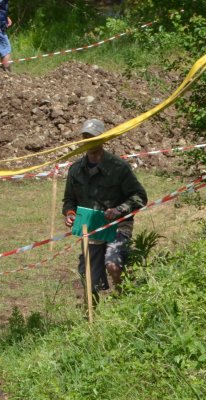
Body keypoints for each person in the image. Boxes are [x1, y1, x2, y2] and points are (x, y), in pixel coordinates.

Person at [62, 119, 148, 295]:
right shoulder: (76, 170)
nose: (89, 141)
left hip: (117, 226)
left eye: (94, 137)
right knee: (89, 278)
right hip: (91, 229)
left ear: (103, 139)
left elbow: (140, 197)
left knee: (113, 265)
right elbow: (69, 200)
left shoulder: (119, 167)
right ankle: (92, 311)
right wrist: (70, 214)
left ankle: (124, 298)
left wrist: (119, 210)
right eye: (86, 137)